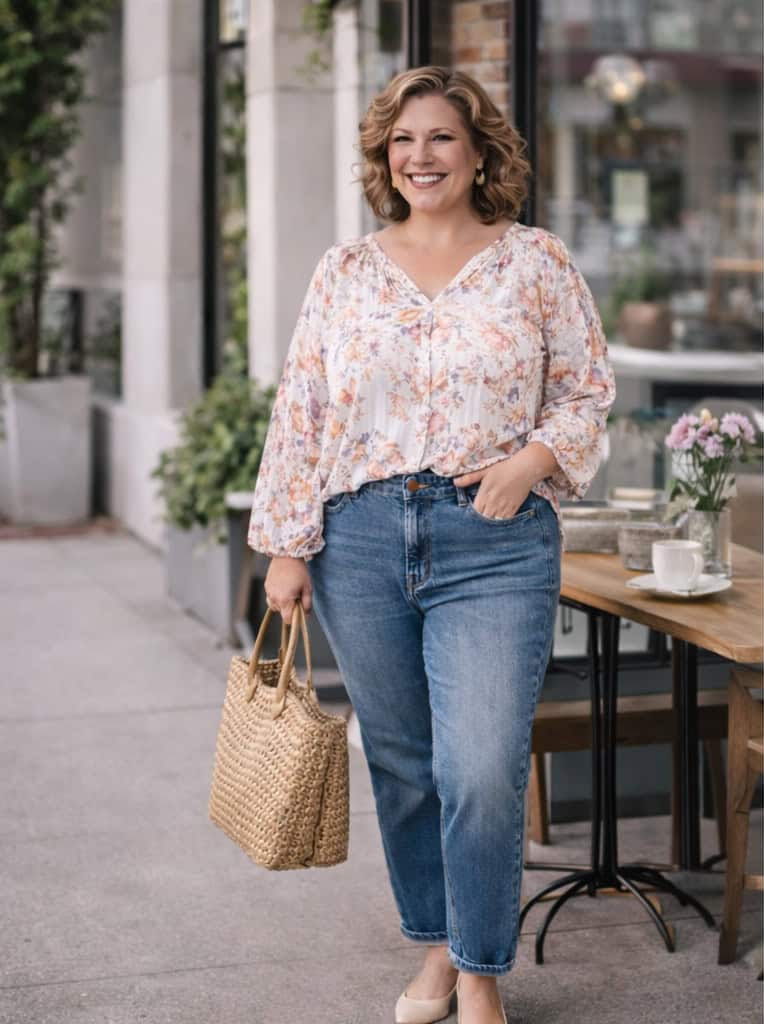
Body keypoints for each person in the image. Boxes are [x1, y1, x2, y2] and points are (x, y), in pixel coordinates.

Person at [247, 66, 615, 1024]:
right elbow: (303, 409)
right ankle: (439, 950)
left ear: (480, 150)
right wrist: (287, 545)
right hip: (360, 539)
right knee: (405, 763)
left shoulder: (535, 261)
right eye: (402, 141)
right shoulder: (345, 271)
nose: (421, 156)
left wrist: (530, 462)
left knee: (481, 767)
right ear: (384, 157)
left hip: (494, 538)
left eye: (442, 136)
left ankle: (483, 970)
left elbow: (587, 392)